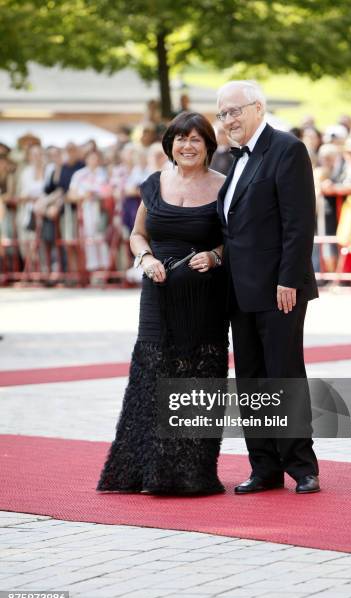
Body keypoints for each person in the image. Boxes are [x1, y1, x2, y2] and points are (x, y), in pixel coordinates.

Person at [97, 112, 229, 495]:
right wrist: (147, 259)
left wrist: (215, 256)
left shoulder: (224, 186)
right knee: (151, 371)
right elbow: (138, 235)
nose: (187, 146)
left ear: (208, 146)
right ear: (169, 143)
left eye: (196, 140)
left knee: (195, 373)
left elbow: (234, 239)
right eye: (180, 139)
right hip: (157, 289)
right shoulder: (154, 184)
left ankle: (190, 472)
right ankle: (142, 469)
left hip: (203, 294)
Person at [216, 80, 320, 494]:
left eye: (235, 110)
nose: (228, 120)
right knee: (252, 380)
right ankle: (264, 466)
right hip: (240, 291)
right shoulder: (229, 159)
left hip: (280, 288)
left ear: (258, 108)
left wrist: (288, 279)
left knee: (284, 374)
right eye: (222, 113)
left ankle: (301, 465)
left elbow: (300, 222)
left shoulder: (287, 149)